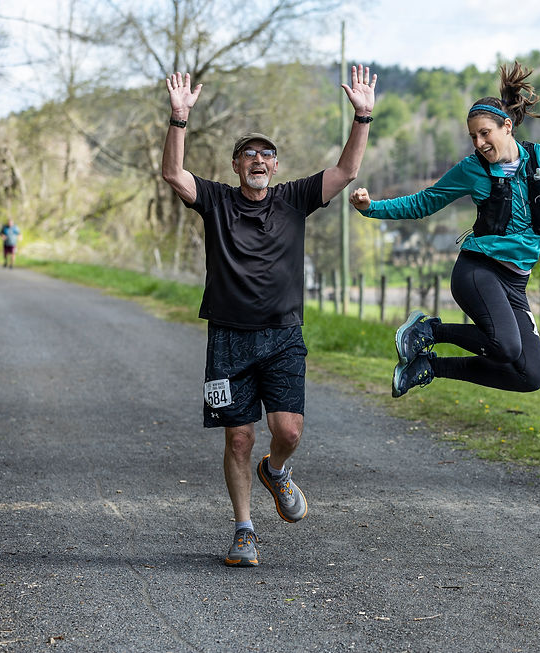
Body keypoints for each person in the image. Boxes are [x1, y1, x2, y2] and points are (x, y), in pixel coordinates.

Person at [161, 66, 377, 567]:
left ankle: (276, 471)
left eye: (266, 154)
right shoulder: (216, 201)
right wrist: (178, 120)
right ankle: (244, 531)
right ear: (236, 166)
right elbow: (173, 174)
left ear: (276, 166)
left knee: (289, 431)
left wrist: (362, 116)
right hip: (229, 340)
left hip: (283, 335)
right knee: (238, 435)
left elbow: (345, 172)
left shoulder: (294, 199)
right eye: (249, 154)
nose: (258, 160)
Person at [350, 61, 540, 398]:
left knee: (529, 375)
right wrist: (371, 207)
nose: (478, 143)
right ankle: (429, 330)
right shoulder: (471, 170)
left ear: (507, 126)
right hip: (478, 271)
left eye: (485, 133)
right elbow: (424, 202)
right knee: (506, 347)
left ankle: (429, 367)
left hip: (515, 283)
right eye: (473, 137)